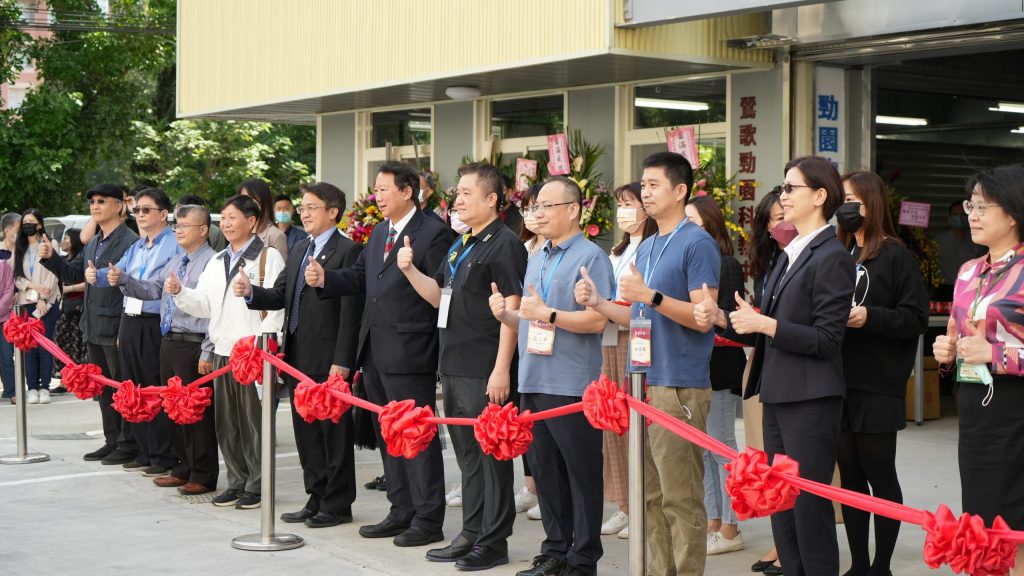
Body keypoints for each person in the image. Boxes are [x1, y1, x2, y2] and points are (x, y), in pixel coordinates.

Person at [578, 152, 720, 576]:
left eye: (654, 184)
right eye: (643, 185)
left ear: (681, 191)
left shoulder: (698, 243)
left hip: (679, 384)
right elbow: (640, 317)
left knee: (680, 496)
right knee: (650, 496)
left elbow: (703, 315)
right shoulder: (651, 244)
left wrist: (650, 296)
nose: (645, 192)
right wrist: (600, 303)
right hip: (642, 381)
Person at [305, 161, 455, 547]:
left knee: (416, 436)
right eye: (376, 189)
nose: (378, 196)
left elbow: (438, 294)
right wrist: (326, 279)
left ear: (408, 191)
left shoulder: (434, 234)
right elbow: (360, 278)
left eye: (384, 189)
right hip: (373, 350)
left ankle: (427, 517)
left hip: (410, 350)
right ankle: (400, 509)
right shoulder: (378, 233)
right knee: (390, 435)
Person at [725, 156, 854, 576]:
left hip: (812, 396)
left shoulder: (830, 255)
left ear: (819, 196)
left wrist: (766, 322)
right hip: (779, 392)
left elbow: (827, 338)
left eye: (790, 188)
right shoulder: (789, 252)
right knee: (779, 501)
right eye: (782, 188)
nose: (783, 197)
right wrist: (728, 320)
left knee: (809, 507)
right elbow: (770, 330)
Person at [399, 162, 527, 569]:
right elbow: (439, 297)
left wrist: (502, 368)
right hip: (453, 363)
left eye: (467, 193)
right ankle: (471, 531)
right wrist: (408, 270)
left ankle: (494, 540)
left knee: (492, 456)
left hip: (485, 366)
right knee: (468, 456)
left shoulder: (505, 245)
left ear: (492, 199)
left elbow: (514, 308)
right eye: (458, 192)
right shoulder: (460, 244)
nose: (458, 199)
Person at [497, 176, 612, 576]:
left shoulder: (591, 256)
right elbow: (532, 315)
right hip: (533, 378)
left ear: (573, 209)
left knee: (579, 475)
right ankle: (555, 550)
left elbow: (599, 320)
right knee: (545, 473)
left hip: (571, 384)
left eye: (547, 206)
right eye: (535, 206)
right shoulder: (536, 254)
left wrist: (547, 315)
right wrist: (506, 315)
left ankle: (583, 559)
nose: (538, 213)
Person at [241, 182, 363, 528]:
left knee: (333, 433)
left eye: (312, 207)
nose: (304, 213)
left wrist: (343, 362)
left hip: (328, 358)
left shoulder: (348, 251)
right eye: (302, 207)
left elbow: (350, 313)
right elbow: (281, 295)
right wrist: (252, 292)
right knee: (306, 431)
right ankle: (316, 495)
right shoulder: (298, 249)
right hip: (297, 354)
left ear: (333, 213)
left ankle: (337, 503)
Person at [834, 171, 928, 576]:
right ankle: (858, 564)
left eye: (851, 199)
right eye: (841, 199)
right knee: (850, 479)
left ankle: (881, 566)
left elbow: (915, 318)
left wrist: (869, 317)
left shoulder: (895, 255)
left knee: (879, 475)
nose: (845, 208)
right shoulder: (840, 254)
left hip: (878, 384)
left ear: (871, 205)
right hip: (839, 381)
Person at [933, 164, 1024, 576]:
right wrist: (947, 353)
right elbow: (960, 334)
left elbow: (992, 350)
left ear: (1014, 213)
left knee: (1015, 523)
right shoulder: (968, 271)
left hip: (1017, 412)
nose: (972, 214)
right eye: (971, 204)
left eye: (984, 206)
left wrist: (997, 355)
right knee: (981, 518)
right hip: (974, 412)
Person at [170, 194, 285, 509]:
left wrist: (266, 348)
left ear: (251, 221)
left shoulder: (267, 257)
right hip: (223, 351)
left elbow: (276, 307)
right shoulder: (218, 260)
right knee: (228, 423)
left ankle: (258, 485)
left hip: (251, 352)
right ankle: (236, 480)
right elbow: (204, 304)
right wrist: (180, 292)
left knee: (253, 424)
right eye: (226, 218)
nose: (228, 223)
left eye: (234, 217)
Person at [116, 204, 219, 495]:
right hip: (168, 340)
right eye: (177, 226)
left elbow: (214, 309)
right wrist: (123, 280)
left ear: (202, 230)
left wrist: (208, 350)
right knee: (174, 408)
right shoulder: (177, 261)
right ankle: (181, 467)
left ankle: (203, 472)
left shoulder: (212, 262)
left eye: (185, 225)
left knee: (196, 412)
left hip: (194, 343)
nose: (179, 230)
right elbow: (152, 290)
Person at [41, 184, 140, 464]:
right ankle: (112, 440)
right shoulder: (95, 241)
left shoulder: (129, 241)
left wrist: (124, 328)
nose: (95, 206)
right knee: (104, 389)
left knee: (122, 387)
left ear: (119, 206)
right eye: (92, 202)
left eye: (101, 201)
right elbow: (75, 273)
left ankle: (128, 442)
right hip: (93, 323)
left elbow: (130, 287)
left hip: (116, 324)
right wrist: (51, 259)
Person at [92, 188, 182, 476]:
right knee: (135, 387)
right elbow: (116, 272)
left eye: (146, 210)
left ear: (164, 214)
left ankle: (163, 454)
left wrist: (120, 278)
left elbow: (156, 286)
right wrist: (98, 275)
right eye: (137, 211)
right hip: (130, 320)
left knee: (154, 387)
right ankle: (145, 450)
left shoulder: (173, 244)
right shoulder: (138, 246)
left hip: (153, 322)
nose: (140, 215)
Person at [684, 195, 748, 557]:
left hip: (720, 364)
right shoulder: (689, 259)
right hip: (696, 364)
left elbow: (722, 313)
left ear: (710, 224)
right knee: (703, 447)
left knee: (722, 444)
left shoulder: (726, 263)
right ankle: (712, 519)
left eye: (693, 220)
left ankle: (732, 524)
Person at [596, 182, 656, 540]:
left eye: (629, 203)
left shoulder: (650, 249)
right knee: (613, 425)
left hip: (636, 339)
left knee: (639, 426)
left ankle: (645, 504)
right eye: (619, 204)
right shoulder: (616, 251)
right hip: (608, 337)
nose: (623, 211)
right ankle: (624, 504)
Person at [14, 209, 62, 404]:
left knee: (45, 346)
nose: (28, 225)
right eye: (25, 222)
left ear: (40, 224)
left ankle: (44, 388)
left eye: (31, 222)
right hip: (27, 303)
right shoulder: (20, 248)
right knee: (29, 347)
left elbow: (53, 274)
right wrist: (33, 290)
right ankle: (32, 387)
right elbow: (17, 278)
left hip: (48, 303)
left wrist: (42, 297)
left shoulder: (50, 245)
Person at [52, 229, 89, 387]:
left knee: (77, 345)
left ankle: (76, 379)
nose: (63, 241)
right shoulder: (63, 259)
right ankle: (65, 378)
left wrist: (70, 289)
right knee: (61, 341)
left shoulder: (82, 259)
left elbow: (88, 283)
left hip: (78, 309)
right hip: (65, 308)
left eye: (66, 238)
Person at [937, 200, 985, 301]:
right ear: (949, 219)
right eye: (955, 214)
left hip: (970, 290)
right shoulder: (938, 242)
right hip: (943, 290)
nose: (959, 217)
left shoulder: (978, 242)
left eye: (963, 214)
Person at [239, 179, 289, 258]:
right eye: (243, 199)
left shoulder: (275, 236)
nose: (246, 204)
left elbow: (280, 269)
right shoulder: (238, 231)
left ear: (263, 202)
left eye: (252, 199)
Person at [1, 212, 21, 403]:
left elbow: (10, 286)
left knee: (8, 354)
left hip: (13, 307)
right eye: (17, 228)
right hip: (5, 306)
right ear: (7, 230)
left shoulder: (24, 250)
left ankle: (12, 391)